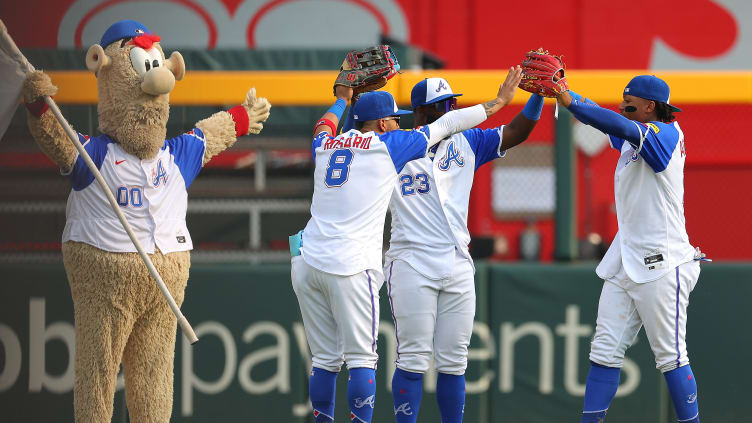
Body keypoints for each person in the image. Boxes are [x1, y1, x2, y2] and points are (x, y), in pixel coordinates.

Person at [290, 67, 523, 423]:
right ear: (383, 123)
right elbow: (445, 126)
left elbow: (322, 126)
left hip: (307, 259)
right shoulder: (390, 146)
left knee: (324, 360)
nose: (399, 124)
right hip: (349, 265)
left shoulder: (325, 144)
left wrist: (340, 100)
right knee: (361, 362)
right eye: (394, 119)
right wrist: (500, 102)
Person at [381, 77, 544, 423]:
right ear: (422, 112)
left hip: (456, 261)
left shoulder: (467, 141)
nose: (451, 109)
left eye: (452, 103)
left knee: (454, 362)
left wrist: (537, 99)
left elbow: (517, 132)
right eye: (444, 105)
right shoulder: (394, 147)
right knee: (412, 358)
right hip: (411, 260)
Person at [556, 75, 705, 423]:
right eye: (623, 102)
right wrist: (562, 92)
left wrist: (567, 99)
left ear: (650, 106)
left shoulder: (667, 134)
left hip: (664, 262)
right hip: (626, 259)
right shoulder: (632, 132)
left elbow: (612, 121)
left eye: (630, 103)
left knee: (671, 357)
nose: (623, 107)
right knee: (604, 351)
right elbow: (598, 114)